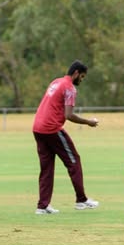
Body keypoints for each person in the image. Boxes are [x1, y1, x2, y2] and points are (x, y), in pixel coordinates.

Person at [32, 60, 100, 214]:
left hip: (38, 128)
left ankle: (42, 206)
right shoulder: (69, 88)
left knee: (46, 168)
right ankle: (81, 200)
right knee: (74, 161)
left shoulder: (56, 82)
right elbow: (68, 115)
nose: (81, 80)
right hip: (51, 128)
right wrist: (88, 122)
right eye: (81, 77)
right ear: (76, 73)